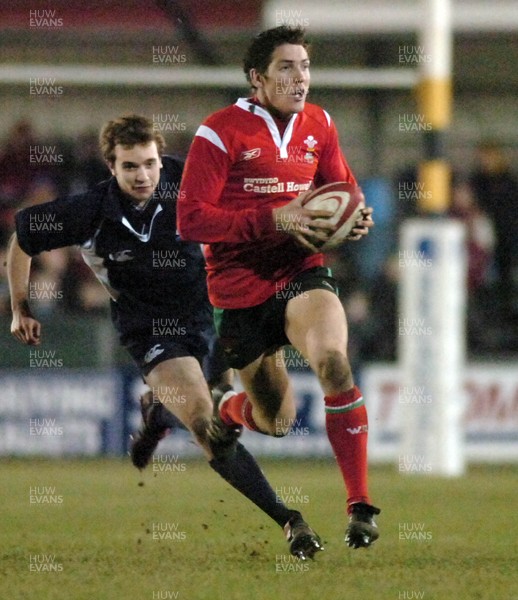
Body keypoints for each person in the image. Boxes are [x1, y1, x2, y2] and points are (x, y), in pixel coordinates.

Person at [7, 114, 323, 560]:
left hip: (214, 313)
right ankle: (291, 520)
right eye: (130, 167)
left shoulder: (195, 180)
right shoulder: (90, 211)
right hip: (150, 329)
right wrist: (20, 307)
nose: (143, 175)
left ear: (162, 159)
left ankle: (158, 414)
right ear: (110, 167)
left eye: (150, 164)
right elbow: (22, 239)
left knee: (275, 422)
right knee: (206, 423)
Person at [178, 26, 381, 550]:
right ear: (257, 78)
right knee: (277, 421)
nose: (300, 77)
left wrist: (354, 217)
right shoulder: (219, 132)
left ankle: (360, 506)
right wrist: (274, 219)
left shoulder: (321, 124)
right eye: (287, 67)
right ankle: (225, 406)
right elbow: (190, 219)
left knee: (334, 361)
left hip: (300, 273)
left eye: (306, 66)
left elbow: (344, 188)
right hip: (238, 292)